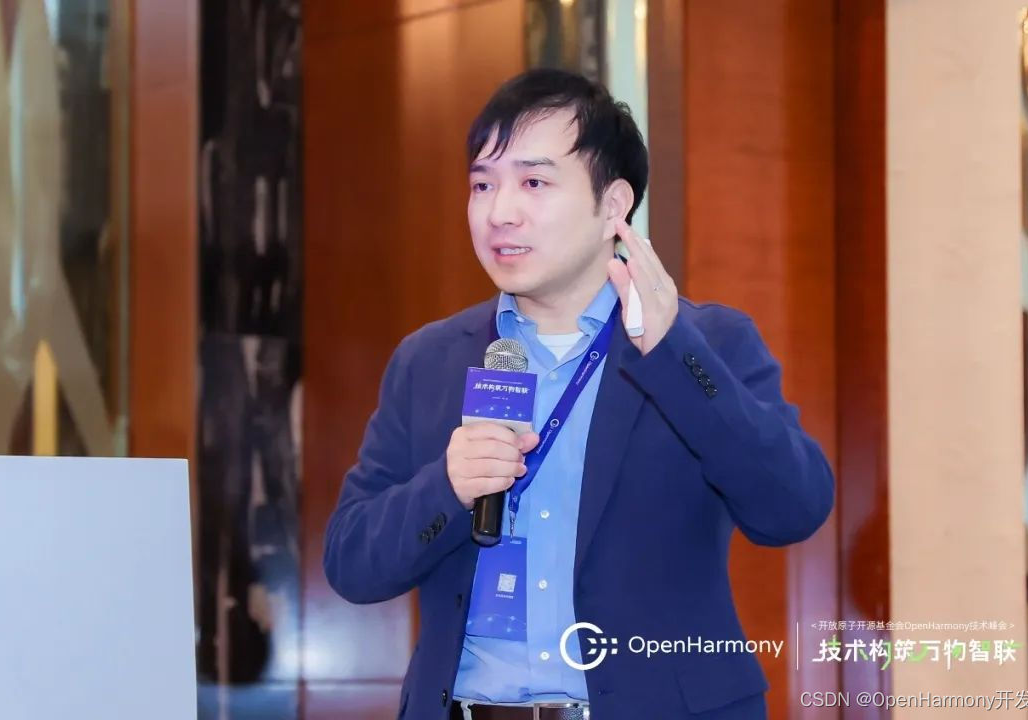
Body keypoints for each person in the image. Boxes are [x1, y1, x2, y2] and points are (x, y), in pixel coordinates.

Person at [323, 68, 834, 720]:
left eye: (534, 183)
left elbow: (793, 508)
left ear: (613, 205)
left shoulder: (708, 345)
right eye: (483, 185)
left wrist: (675, 357)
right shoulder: (429, 361)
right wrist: (446, 487)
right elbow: (351, 562)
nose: (500, 212)